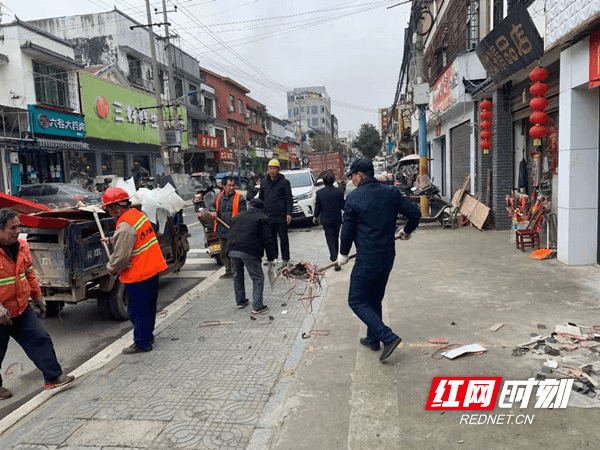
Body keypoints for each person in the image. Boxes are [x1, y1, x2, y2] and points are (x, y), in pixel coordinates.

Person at [337, 159, 421, 362]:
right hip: (387, 256)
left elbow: (347, 230)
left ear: (360, 175)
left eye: (352, 176)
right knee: (374, 299)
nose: (352, 180)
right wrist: (407, 231)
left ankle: (387, 337)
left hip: (367, 258)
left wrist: (342, 254)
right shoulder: (390, 192)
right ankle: (373, 339)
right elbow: (415, 214)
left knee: (356, 300)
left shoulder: (354, 198)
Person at [0, 209, 75, 398]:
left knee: (40, 339)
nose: (18, 231)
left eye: (19, 226)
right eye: (12, 228)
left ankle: (54, 377)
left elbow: (29, 274)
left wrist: (37, 297)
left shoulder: (23, 246)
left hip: (21, 308)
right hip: (1, 314)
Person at [101, 188, 167, 354]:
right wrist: (111, 239)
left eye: (109, 209)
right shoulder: (137, 215)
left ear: (117, 207)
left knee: (137, 312)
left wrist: (110, 269)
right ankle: (148, 336)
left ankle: (142, 343)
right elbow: (132, 238)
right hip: (152, 269)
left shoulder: (125, 226)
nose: (109, 212)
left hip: (139, 274)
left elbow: (121, 257)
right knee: (149, 307)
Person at [227, 198, 276, 313]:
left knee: (238, 275)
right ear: (261, 210)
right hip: (249, 251)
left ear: (249, 206)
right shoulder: (262, 219)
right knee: (258, 277)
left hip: (232, 249)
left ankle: (240, 301)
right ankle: (258, 306)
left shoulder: (237, 217)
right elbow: (268, 240)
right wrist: (270, 258)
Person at [207, 177, 247, 279]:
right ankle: (228, 271)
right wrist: (213, 211)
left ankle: (236, 271)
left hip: (233, 230)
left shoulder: (239, 198)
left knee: (233, 252)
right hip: (221, 229)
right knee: (223, 253)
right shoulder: (218, 197)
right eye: (229, 186)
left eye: (233, 185)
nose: (232, 188)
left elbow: (243, 215)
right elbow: (211, 205)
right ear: (224, 186)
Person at [259, 159, 293, 266]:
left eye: (274, 169)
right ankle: (272, 258)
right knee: (270, 239)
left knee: (283, 239)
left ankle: (285, 259)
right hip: (268, 216)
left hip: (281, 216)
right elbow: (261, 198)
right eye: (270, 168)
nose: (272, 171)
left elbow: (289, 199)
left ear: (278, 169)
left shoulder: (284, 183)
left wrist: (289, 213)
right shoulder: (264, 182)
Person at [313, 171, 345, 271]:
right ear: (333, 181)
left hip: (326, 221)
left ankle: (334, 259)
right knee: (336, 238)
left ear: (324, 182)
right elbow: (343, 206)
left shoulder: (319, 193)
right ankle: (336, 258)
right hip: (337, 219)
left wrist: (315, 216)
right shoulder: (339, 192)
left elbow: (317, 207)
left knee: (330, 240)